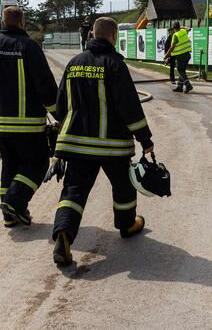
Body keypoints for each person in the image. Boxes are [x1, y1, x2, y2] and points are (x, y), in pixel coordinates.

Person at [51, 16, 154, 265]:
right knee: (123, 187)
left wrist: (62, 136)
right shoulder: (115, 65)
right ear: (113, 36)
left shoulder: (74, 63)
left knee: (74, 191)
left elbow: (61, 104)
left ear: (91, 35)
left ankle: (63, 234)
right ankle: (127, 225)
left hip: (76, 144)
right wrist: (145, 139)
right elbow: (129, 107)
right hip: (113, 146)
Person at [0, 6, 58, 227]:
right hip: (27, 124)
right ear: (22, 22)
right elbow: (45, 84)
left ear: (2, 22)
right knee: (38, 163)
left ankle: (9, 215)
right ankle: (14, 202)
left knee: (10, 165)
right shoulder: (28, 47)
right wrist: (58, 113)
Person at [163, 21, 193, 93]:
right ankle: (180, 86)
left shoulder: (175, 35)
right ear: (179, 27)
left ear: (173, 28)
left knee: (180, 70)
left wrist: (165, 56)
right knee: (182, 70)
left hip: (181, 56)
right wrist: (181, 27)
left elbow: (172, 48)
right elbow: (189, 29)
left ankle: (188, 85)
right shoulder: (183, 31)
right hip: (187, 55)